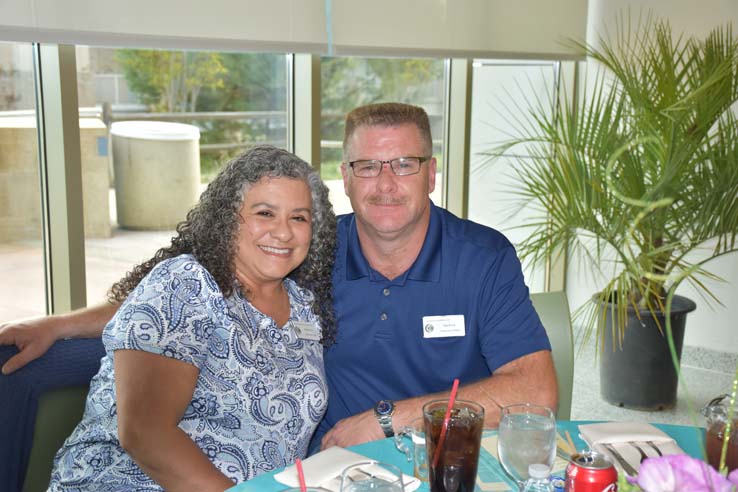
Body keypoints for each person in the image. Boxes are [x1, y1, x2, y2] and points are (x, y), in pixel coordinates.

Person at [0, 103, 557, 456]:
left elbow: (536, 390)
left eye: (405, 164)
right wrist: (63, 323)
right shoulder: (309, 251)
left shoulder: (483, 257)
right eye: (368, 166)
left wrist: (390, 419)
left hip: (447, 460)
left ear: (431, 172)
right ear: (347, 175)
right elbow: (191, 291)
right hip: (336, 467)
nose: (386, 183)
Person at [46, 146, 337, 491]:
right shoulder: (186, 283)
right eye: (265, 213)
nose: (284, 232)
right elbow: (145, 434)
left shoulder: (304, 305)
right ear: (228, 219)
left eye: (299, 218)